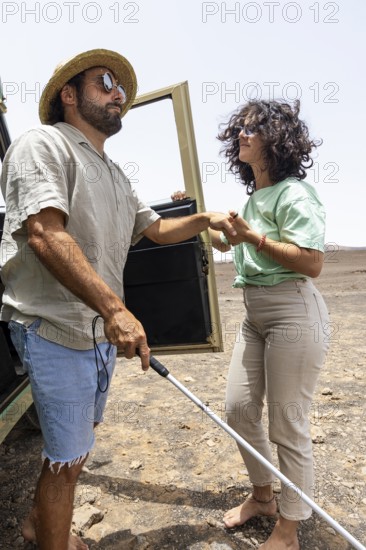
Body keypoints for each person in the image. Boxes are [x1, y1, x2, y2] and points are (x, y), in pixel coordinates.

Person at [0, 49, 237, 550]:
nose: (118, 93)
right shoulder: (43, 144)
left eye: (121, 87)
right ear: (68, 95)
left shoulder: (111, 171)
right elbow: (44, 233)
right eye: (105, 81)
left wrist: (203, 219)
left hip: (95, 336)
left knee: (74, 450)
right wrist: (115, 309)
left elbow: (154, 228)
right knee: (66, 458)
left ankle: (36, 526)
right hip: (55, 328)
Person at [216, 100, 330, 550]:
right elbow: (236, 245)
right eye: (239, 130)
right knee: (239, 409)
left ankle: (289, 527)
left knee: (287, 423)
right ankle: (263, 496)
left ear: (276, 140)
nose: (241, 135)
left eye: (252, 130)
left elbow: (313, 262)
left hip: (293, 312)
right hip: (255, 315)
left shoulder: (294, 194)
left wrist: (251, 237)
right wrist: (205, 220)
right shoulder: (254, 198)